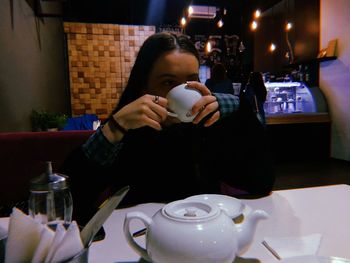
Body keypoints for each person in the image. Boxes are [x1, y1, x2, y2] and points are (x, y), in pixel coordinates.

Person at [60, 32, 275, 226]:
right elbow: (68, 203)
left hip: (203, 233)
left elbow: (260, 181)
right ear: (143, 86)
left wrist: (235, 109)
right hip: (137, 235)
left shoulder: (208, 126)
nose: (183, 92)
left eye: (191, 82)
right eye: (168, 82)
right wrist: (114, 128)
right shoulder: (128, 131)